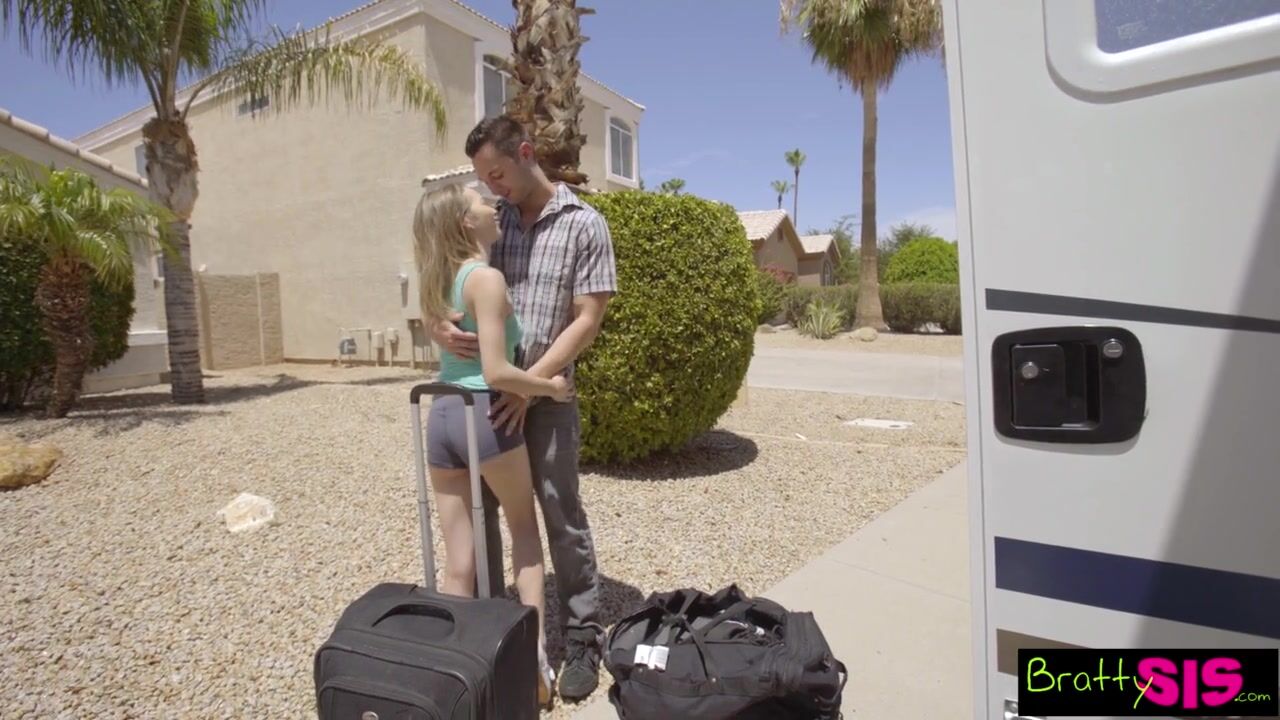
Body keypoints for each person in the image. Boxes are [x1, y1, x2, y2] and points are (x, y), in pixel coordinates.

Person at [429, 114, 617, 701]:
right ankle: (490, 636)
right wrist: (435, 326)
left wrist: (527, 385)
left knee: (561, 511)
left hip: (545, 395)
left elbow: (587, 318)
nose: (492, 187)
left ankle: (582, 636)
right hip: (491, 398)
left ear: (526, 153)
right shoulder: (493, 220)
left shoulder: (585, 223)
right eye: (484, 178)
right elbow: (444, 278)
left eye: (497, 173)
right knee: (484, 513)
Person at [412, 181, 568, 708]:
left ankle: (449, 679)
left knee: (460, 561)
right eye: (481, 201)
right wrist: (549, 387)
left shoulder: (439, 281)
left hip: (442, 415)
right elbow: (497, 371)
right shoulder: (486, 278)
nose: (493, 205)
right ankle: (533, 666)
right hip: (484, 415)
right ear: (465, 221)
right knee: (524, 531)